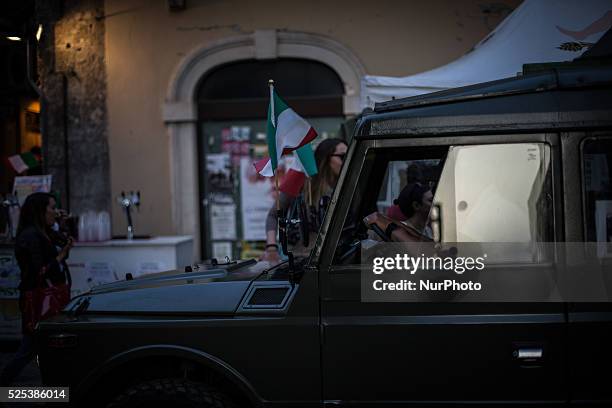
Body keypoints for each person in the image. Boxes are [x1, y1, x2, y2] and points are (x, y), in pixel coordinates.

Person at [0, 192, 73, 386]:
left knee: (38, 350)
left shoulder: (43, 231)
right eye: (51, 207)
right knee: (29, 350)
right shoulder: (30, 236)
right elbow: (37, 271)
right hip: (38, 300)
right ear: (40, 211)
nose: (55, 212)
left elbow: (65, 243)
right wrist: (59, 257)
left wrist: (63, 225)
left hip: (45, 299)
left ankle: (54, 395)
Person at [261, 138, 348, 262]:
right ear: (326, 158)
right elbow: (273, 215)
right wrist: (271, 248)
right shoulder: (301, 180)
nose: (346, 161)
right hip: (299, 262)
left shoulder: (349, 186)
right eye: (342, 156)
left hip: (336, 261)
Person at [364, 182, 434, 242]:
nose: (435, 203)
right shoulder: (393, 231)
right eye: (431, 200)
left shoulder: (428, 231)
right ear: (416, 205)